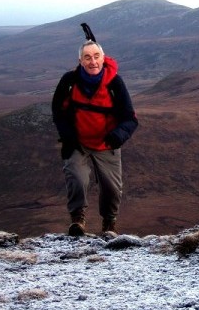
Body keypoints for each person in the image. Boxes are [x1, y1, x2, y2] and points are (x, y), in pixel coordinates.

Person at [52, 38, 138, 236]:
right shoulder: (69, 81)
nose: (93, 62)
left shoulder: (115, 83)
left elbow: (130, 118)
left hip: (106, 143)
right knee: (77, 178)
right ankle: (77, 219)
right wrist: (68, 137)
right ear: (80, 60)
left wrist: (118, 135)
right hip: (78, 142)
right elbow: (57, 111)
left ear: (103, 58)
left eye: (96, 56)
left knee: (112, 189)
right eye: (87, 57)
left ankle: (109, 223)